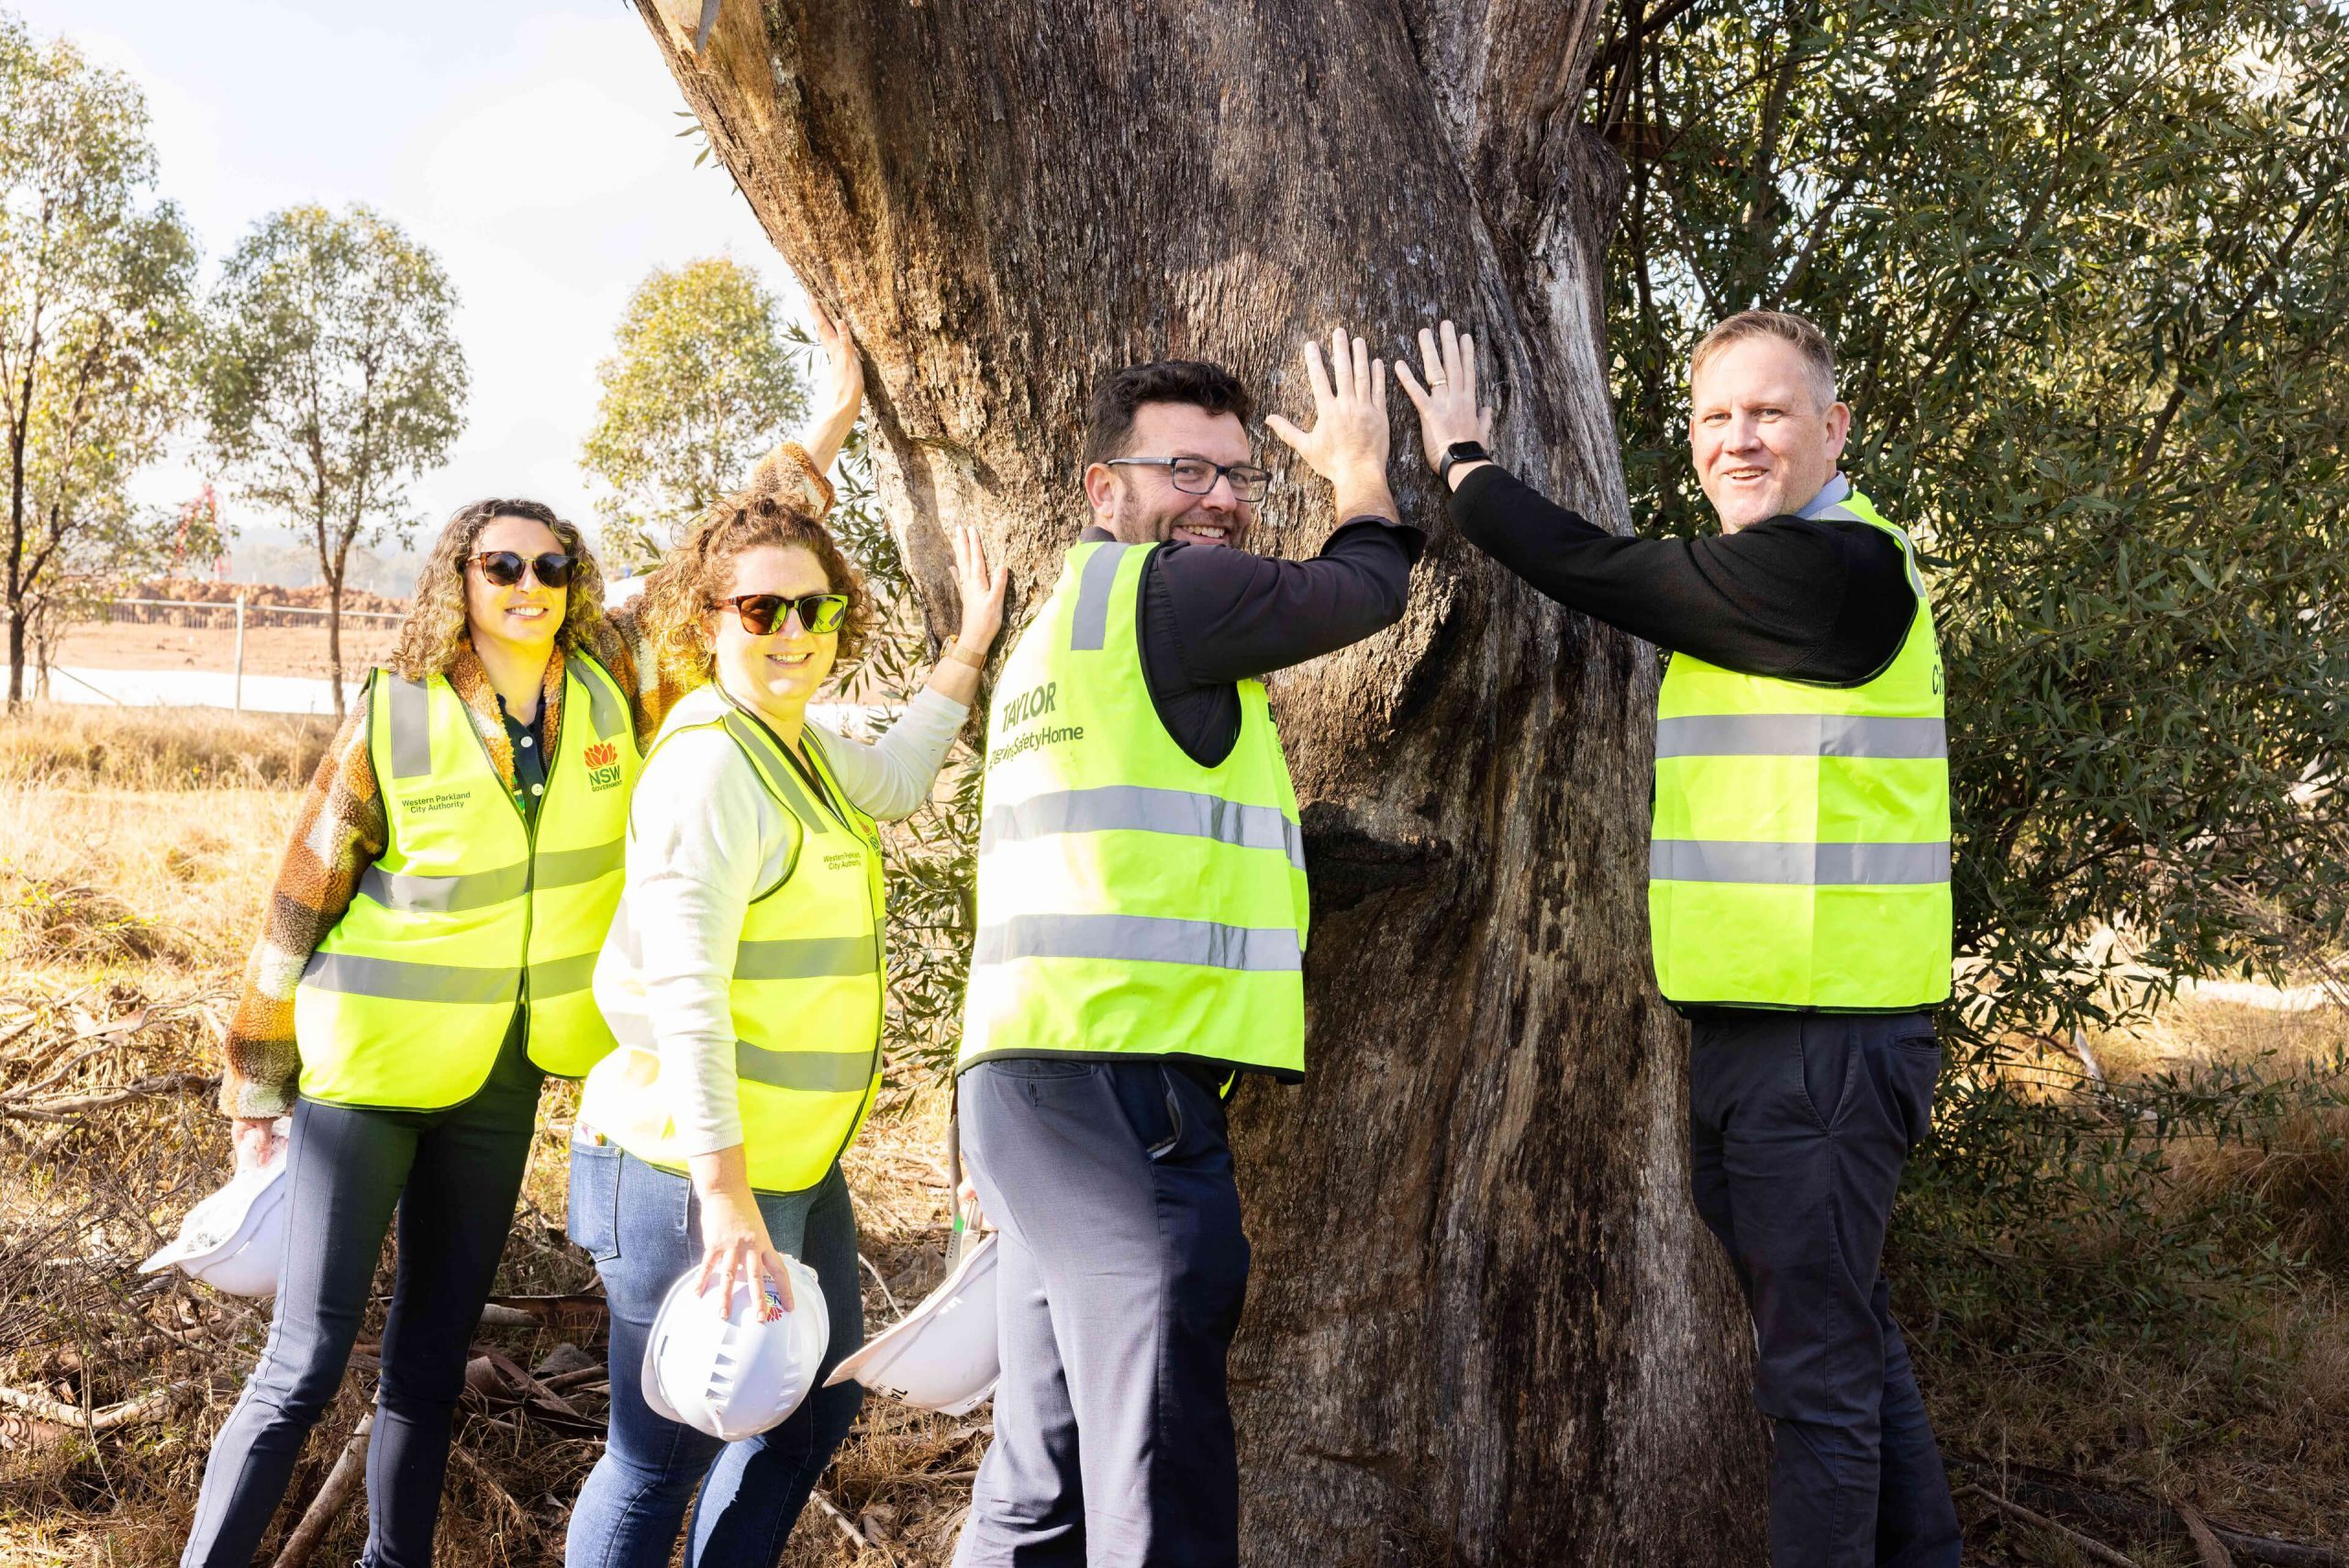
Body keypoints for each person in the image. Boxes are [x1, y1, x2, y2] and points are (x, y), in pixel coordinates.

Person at [1397, 311, 1961, 1568]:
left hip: (1828, 1045)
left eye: (1768, 412)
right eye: (1714, 418)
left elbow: (1605, 570)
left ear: (1835, 428)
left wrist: (1467, 464)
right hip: (1771, 1034)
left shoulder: (1834, 574)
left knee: (1817, 1389)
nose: (1738, 439)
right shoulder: (1780, 582)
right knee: (1847, 1343)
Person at [951, 334, 1419, 1568]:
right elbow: (1370, 589)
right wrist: (1363, 476)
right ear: (1106, 490)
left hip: (1027, 1095)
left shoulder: (1059, 634)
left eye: (1235, 476)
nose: (1217, 498)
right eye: (1184, 471)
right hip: (1121, 1105)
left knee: (1040, 1486)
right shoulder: (1172, 595)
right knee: (1158, 1491)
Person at [562, 406, 1008, 1560]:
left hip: (790, 1168)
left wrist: (967, 647)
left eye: (816, 607)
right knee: (659, 1455)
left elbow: (901, 778)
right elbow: (689, 996)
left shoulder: (798, 742)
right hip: (685, 1172)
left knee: (813, 1409)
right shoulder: (710, 764)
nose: (794, 628)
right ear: (705, 621)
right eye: (762, 608)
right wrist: (724, 1197)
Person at [184, 495, 645, 1568]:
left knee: (430, 1363)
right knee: (302, 1361)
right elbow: (301, 892)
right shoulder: (397, 708)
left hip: (499, 1080)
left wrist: (832, 421)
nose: (530, 584)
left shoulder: (611, 686)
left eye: (552, 564)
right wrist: (256, 1081)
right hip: (370, 1076)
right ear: (460, 579)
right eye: (502, 566)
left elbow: (715, 568)